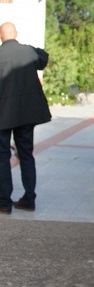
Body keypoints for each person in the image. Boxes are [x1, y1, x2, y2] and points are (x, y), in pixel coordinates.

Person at [0, 22, 51, 214]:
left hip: (3, 114)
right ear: (16, 34)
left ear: (0, 36)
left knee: (2, 157)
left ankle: (4, 202)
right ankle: (29, 199)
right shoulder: (29, 52)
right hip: (26, 114)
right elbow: (43, 58)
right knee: (26, 155)